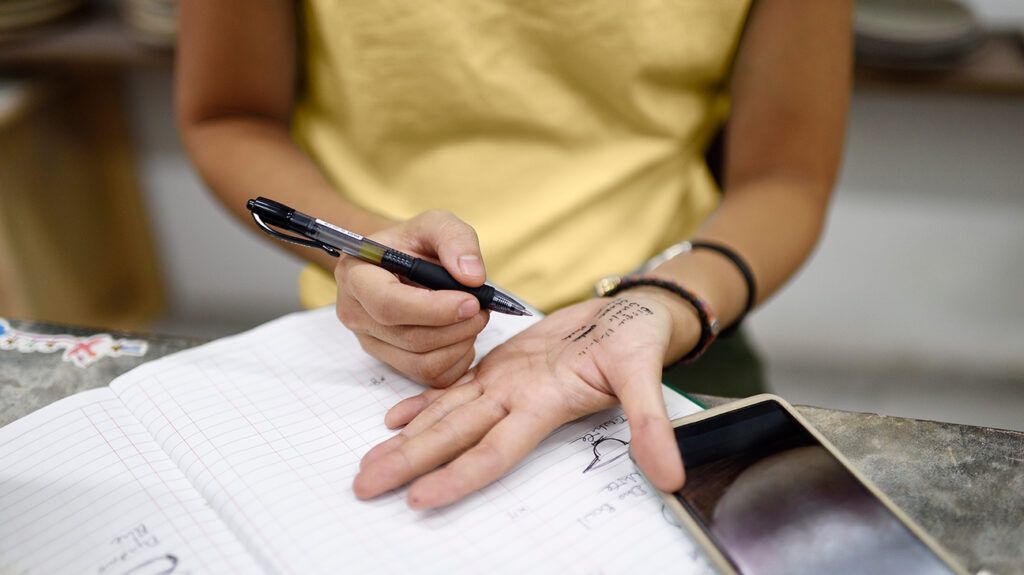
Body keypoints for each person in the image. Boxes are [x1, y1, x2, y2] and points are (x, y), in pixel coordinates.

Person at [177, 0, 851, 510]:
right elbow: (228, 115)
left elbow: (784, 179)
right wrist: (366, 247)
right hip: (376, 327)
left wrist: (666, 299)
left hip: (676, 316)